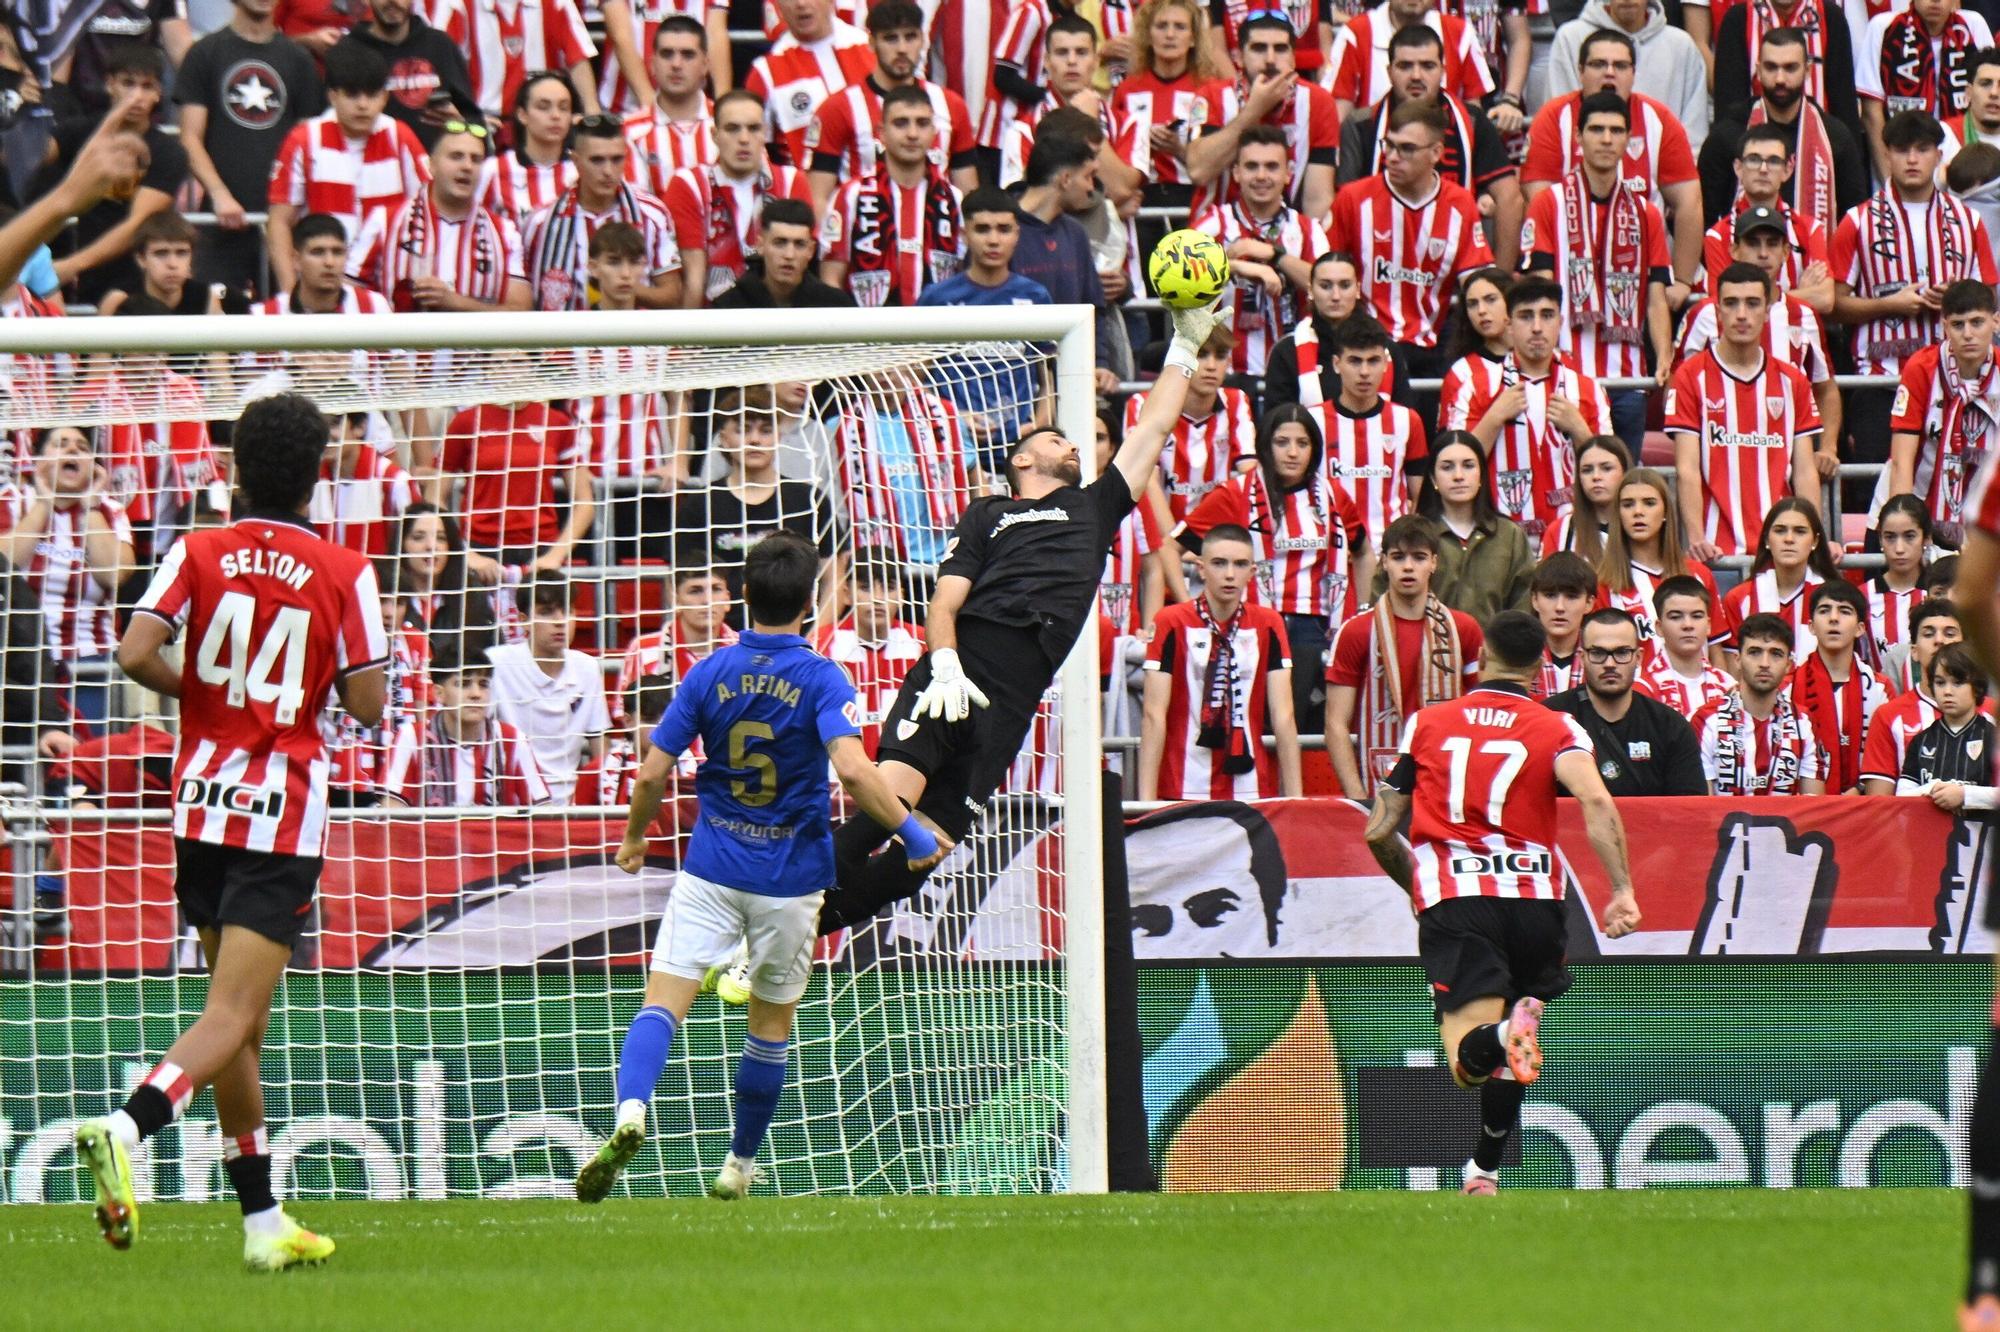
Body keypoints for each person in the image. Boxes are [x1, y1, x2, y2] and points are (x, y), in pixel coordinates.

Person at [75, 392, 388, 1270]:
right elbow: (367, 702)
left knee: (236, 1027)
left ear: (234, 469)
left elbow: (135, 652)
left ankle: (262, 1223)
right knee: (233, 1014)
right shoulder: (344, 569)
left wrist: (209, 696)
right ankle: (126, 1127)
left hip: (200, 801)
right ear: (317, 476)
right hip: (280, 814)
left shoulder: (196, 548)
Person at [810, 298, 1222, 935]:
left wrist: (1185, 347)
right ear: (1023, 460)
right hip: (959, 672)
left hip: (1012, 701)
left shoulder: (1097, 505)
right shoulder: (990, 514)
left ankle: (798, 932)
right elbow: (943, 603)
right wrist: (944, 666)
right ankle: (778, 914)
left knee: (929, 851)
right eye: (1058, 437)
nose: (1073, 444)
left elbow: (1153, 429)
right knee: (888, 810)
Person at [581, 532, 952, 1201]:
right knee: (769, 1028)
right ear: (810, 605)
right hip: (790, 883)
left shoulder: (708, 672)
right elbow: (853, 769)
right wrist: (912, 833)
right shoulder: (821, 677)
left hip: (713, 869)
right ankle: (738, 1166)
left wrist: (635, 839)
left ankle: (631, 1110)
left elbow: (652, 773)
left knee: (662, 1005)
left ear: (743, 596)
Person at [1363, 609, 1638, 1196]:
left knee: (1468, 1062)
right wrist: (1622, 890)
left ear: (1481, 655)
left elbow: (1380, 829)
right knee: (1513, 1047)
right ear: (1542, 664)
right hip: (1535, 902)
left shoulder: (1429, 724)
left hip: (1460, 897)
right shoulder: (1557, 726)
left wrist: (1418, 885)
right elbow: (1595, 801)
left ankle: (1500, 1037)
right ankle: (1483, 1171)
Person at [1178, 403, 1372, 731]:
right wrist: (1190, 605)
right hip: (1251, 626)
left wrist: (1363, 610)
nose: (1292, 453)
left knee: (1304, 725)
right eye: (1282, 442)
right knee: (1256, 725)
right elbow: (1173, 547)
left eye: (1302, 443)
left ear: (1315, 449)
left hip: (1318, 628)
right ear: (1266, 446)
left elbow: (1365, 551)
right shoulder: (1234, 493)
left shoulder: (1332, 495)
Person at [1833, 110, 1998, 485]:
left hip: (1957, 381)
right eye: (1902, 149)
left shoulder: (1967, 221)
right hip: (1881, 381)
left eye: (1922, 149)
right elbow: (1835, 304)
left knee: (1960, 486)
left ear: (1940, 155)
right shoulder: (1856, 221)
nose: (1911, 159)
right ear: (1887, 153)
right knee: (1880, 485)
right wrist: (1888, 305)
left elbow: (1988, 298)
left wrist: (1955, 299)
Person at [1521, 91, 1675, 455]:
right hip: (1566, 370)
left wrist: (1664, 354)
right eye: (1596, 129)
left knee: (1623, 484)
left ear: (1628, 138)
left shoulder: (1646, 213)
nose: (1606, 139)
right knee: (1565, 478)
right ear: (1578, 137)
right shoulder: (1549, 203)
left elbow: (1656, 296)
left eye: (1616, 130)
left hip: (1628, 374)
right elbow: (1541, 290)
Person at [1519, 30, 1702, 290]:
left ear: (1633, 73)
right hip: (1570, 263)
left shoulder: (1658, 119)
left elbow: (1689, 202)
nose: (1609, 72)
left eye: (1620, 65)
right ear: (1580, 71)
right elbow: (1539, 202)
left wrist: (1683, 281)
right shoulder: (1553, 118)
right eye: (1598, 64)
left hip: (1640, 266)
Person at [1327, 101, 1492, 387]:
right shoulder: (1353, 199)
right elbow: (1323, 272)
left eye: (1406, 148)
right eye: (1388, 145)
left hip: (1434, 348)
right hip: (1365, 347)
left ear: (1436, 153)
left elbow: (1478, 283)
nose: (1391, 157)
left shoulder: (1460, 204)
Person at [1667, 262, 1823, 562]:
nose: (1741, 314)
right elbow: (1686, 468)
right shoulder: (1690, 376)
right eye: (1731, 303)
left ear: (1767, 311)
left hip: (1782, 552)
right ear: (1717, 311)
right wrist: (1697, 537)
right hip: (1716, 552)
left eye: (1752, 304)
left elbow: (1804, 471)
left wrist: (1815, 538)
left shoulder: (1793, 381)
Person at [1336, 24, 1521, 269]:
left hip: (1455, 259)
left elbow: (1510, 199)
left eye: (1427, 66)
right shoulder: (1360, 124)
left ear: (1443, 71)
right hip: (1381, 263)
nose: (1416, 76)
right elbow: (1347, 207)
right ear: (1389, 71)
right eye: (1405, 66)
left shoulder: (1473, 121)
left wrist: (1500, 282)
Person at [1440, 275, 1609, 544]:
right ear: (1509, 323)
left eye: (1547, 315)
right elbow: (1456, 466)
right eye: (1526, 316)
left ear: (1560, 322)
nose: (1537, 327)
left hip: (1572, 537)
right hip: (1496, 538)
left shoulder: (1588, 390)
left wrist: (1579, 429)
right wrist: (1494, 418)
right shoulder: (1475, 387)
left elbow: (1610, 473)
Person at [1326, 512, 1485, 798]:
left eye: (1419, 557)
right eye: (1398, 557)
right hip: (1376, 778)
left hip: (1449, 778)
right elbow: (1336, 723)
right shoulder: (1356, 631)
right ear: (1384, 562)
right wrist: (1359, 798)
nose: (1408, 567)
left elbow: (1482, 713)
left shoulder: (1465, 629)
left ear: (1434, 563)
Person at [1141, 523, 1303, 802]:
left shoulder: (1268, 623)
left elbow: (1284, 716)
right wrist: (1144, 801)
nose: (1229, 574)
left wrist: (1296, 799)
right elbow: (1154, 715)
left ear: (1253, 572)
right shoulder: (1170, 621)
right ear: (1201, 569)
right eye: (1219, 563)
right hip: (1182, 782)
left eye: (1240, 564)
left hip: (1251, 785)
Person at [174, 0, 323, 294]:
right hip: (220, 223)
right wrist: (220, 195)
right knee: (210, 323)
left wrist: (294, 206)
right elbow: (189, 138)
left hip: (286, 221)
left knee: (291, 321)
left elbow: (311, 142)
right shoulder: (205, 52)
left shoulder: (298, 59)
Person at [658, 384, 839, 623]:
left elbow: (835, 579)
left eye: (765, 431)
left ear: (778, 437)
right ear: (723, 438)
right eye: (743, 430)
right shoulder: (700, 506)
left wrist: (817, 637)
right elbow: (677, 583)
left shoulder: (808, 500)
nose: (754, 440)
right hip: (722, 644)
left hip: (797, 641)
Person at [1677, 204, 1842, 462]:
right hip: (1719, 455)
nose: (1763, 253)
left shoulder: (1804, 315)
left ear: (1786, 252)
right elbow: (1678, 388)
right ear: (1733, 250)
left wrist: (1828, 448)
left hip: (1788, 456)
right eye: (1753, 243)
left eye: (1773, 244)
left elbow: (1825, 389)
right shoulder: (1705, 314)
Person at [265, 43, 429, 295]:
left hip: (389, 284)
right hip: (321, 286)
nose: (363, 105)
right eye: (352, 94)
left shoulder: (401, 137)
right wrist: (290, 293)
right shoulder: (303, 139)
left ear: (385, 97)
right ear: (332, 95)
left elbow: (427, 212)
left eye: (372, 95)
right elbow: (279, 222)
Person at [2, 427, 134, 728]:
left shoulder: (110, 511)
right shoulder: (12, 501)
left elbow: (115, 574)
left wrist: (89, 506)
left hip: (90, 660)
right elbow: (3, 565)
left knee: (86, 760)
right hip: (18, 664)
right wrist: (45, 504)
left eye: (82, 447)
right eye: (61, 444)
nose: (73, 451)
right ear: (38, 460)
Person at [37, 46, 188, 303]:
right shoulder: (78, 131)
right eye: (128, 84)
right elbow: (25, 161)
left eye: (147, 86)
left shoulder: (167, 151)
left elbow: (137, 224)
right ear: (109, 84)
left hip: (137, 281)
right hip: (76, 272)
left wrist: (72, 265)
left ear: (158, 93)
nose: (136, 96)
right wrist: (27, 107)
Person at [807, 0, 977, 211]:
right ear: (871, 42)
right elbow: (818, 198)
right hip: (866, 236)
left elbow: (969, 195)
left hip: (934, 236)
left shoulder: (952, 106)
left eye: (910, 37)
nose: (902, 49)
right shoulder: (838, 108)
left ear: (922, 40)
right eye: (890, 39)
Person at [1699, 28, 1869, 237]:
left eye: (1790, 68)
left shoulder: (1835, 136)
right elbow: (1703, 217)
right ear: (1758, 70)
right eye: (1771, 67)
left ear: (1807, 71)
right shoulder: (1727, 135)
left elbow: (1856, 219)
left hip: (1818, 266)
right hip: (1738, 265)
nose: (1780, 79)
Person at [1189, 124, 1329, 378]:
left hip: (1295, 372)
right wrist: (1239, 266)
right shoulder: (1214, 223)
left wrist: (1274, 255)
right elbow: (1175, 276)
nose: (1261, 176)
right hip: (1226, 372)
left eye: (1272, 167)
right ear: (1236, 173)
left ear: (1289, 173)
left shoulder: (1308, 230)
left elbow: (1327, 288)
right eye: (1252, 166)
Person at [664, 90, 814, 307]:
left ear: (765, 133)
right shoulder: (690, 184)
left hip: (778, 318)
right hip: (714, 320)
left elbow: (802, 264)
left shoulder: (792, 181)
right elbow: (693, 278)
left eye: (753, 129)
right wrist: (689, 340)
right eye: (732, 129)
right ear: (714, 135)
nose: (744, 139)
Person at [818, 85, 965, 307]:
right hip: (868, 335)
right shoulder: (850, 195)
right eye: (901, 123)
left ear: (934, 132)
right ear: (881, 133)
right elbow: (831, 277)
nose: (912, 134)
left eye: (922, 123)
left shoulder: (953, 199)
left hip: (940, 335)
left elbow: (965, 273)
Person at [1186, 12, 1340, 222]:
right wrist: (1253, 111)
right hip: (1212, 237)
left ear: (1294, 58)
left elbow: (1318, 199)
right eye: (1259, 48)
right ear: (1239, 57)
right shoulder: (1211, 96)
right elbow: (1198, 170)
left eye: (1280, 49)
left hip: (1288, 236)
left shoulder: (1319, 102)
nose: (1270, 59)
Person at [520, 112, 682, 311]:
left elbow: (673, 296)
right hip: (563, 339)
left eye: (616, 159)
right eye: (597, 160)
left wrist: (619, 287)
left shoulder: (653, 214)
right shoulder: (540, 223)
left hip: (634, 337)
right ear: (576, 161)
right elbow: (526, 301)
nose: (608, 171)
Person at [1008, 120, 1125, 386]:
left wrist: (1100, 364)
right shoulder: (1000, 230)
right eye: (1088, 177)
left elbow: (1093, 308)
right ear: (1065, 179)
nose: (1090, 188)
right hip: (1015, 385)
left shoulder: (1074, 233)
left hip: (1072, 381)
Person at [1544, 608, 1707, 796]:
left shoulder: (1670, 726)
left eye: (1622, 652)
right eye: (1598, 653)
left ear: (1638, 658)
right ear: (1582, 658)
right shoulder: (1551, 719)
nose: (1610, 664)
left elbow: (1689, 811)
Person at [1886, 280, 2000, 547]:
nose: (1968, 334)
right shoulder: (1921, 367)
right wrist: (1906, 530)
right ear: (1944, 326)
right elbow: (1902, 461)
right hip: (1920, 498)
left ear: (1995, 322)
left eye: (1977, 322)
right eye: (1958, 324)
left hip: (1985, 509)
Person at [379, 121, 531, 314]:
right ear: (431, 165)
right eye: (456, 156)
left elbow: (521, 312)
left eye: (476, 159)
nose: (467, 166)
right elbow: (353, 296)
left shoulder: (505, 232)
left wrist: (454, 302)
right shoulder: (385, 222)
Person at [377, 640, 553, 807]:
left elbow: (543, 811)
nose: (476, 694)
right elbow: (391, 812)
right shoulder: (412, 737)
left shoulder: (512, 739)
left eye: (483, 684)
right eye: (464, 684)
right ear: (439, 694)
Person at [486, 573, 611, 801]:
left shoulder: (587, 668)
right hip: (508, 803)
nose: (560, 621)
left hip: (570, 806)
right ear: (523, 620)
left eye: (567, 611)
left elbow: (600, 748)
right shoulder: (496, 663)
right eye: (546, 612)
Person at [439, 390, 595, 572]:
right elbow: (434, 497)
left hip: (541, 547)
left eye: (518, 361)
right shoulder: (466, 422)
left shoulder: (556, 422)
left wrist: (555, 556)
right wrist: (465, 554)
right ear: (487, 370)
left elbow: (585, 502)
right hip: (480, 547)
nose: (510, 369)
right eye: (499, 363)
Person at [1313, 314, 1428, 546]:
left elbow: (1419, 499)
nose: (1364, 371)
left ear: (1386, 363)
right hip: (1331, 552)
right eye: (1355, 361)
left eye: (1373, 361)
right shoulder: (1312, 421)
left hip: (1390, 552)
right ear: (1337, 364)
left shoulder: (1408, 420)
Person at [1694, 611, 1830, 796]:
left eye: (1776, 654)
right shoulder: (1707, 720)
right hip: (1721, 825)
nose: (1764, 663)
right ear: (1738, 660)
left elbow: (1814, 808)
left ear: (1789, 665)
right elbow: (1702, 809)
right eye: (1755, 652)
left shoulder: (1803, 722)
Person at [1124, 324, 1250, 522]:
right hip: (1159, 538)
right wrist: (1175, 542)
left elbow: (1250, 473)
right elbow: (1147, 482)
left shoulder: (1236, 402)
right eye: (1201, 354)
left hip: (1214, 538)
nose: (1211, 366)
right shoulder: (1141, 405)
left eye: (1220, 356)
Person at [1597, 466, 1717, 674]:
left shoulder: (1699, 575)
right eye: (1628, 504)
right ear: (1618, 515)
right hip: (1634, 701)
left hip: (1700, 701)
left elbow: (1716, 650)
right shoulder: (1604, 583)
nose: (1638, 512)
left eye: (1649, 503)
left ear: (1665, 513)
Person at [1110, 0, 1227, 213]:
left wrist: (1178, 149)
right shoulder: (1127, 89)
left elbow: (1216, 161)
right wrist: (1143, 146)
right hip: (1140, 202)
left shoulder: (1210, 90)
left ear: (1193, 38)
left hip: (1192, 201)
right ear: (1148, 35)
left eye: (1180, 27)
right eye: (1161, 26)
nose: (1170, 35)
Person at [1856, 0, 1994, 180]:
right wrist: (1890, 181)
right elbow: (1871, 114)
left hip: (1965, 167)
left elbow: (1990, 93)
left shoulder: (1973, 25)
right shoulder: (1884, 27)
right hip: (1902, 158)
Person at [1698, 124, 1836, 303]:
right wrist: (1798, 296)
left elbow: (1825, 299)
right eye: (1754, 159)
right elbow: (1723, 304)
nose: (1763, 169)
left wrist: (1752, 300)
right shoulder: (1717, 236)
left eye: (1773, 161)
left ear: (1788, 169)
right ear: (1738, 167)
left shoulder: (1809, 229)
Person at [1546, 0, 1708, 150]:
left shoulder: (1681, 45)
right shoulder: (1570, 38)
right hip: (1584, 169)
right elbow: (1561, 117)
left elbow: (1694, 135)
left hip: (1664, 171)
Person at [1410, 432, 1534, 624]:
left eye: (1468, 466)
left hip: (1494, 652)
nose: (1458, 476)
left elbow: (1524, 606)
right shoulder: (1412, 534)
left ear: (1481, 475)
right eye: (1447, 467)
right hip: (1426, 651)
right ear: (1433, 479)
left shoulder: (1509, 536)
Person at [743, 0, 875, 172]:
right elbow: (753, 151)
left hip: (879, 191)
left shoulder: (871, 48)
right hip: (808, 192)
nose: (801, 3)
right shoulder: (766, 72)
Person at [1788, 581, 1892, 793]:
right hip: (1801, 804)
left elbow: (1886, 753)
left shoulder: (1880, 688)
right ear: (1811, 626)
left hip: (1862, 804)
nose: (1833, 618)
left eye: (1844, 611)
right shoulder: (1788, 686)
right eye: (1824, 611)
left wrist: (1860, 788)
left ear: (1860, 628)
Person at [815, 562, 923, 756]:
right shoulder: (821, 646)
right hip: (838, 780)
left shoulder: (923, 644)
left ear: (902, 594)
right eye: (866, 588)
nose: (878, 599)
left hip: (904, 775)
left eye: (889, 588)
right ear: (846, 593)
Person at [336, 0, 475, 150]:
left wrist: (460, 125)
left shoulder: (440, 45)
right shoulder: (348, 51)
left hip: (435, 166)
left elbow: (472, 119)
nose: (392, 2)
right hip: (373, 164)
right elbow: (332, 122)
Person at [1326, 0, 1496, 121]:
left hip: (1445, 157)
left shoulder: (1460, 33)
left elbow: (1473, 115)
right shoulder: (1356, 34)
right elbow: (1340, 118)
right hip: (1375, 155)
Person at [433, 0, 600, 123]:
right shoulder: (456, 4)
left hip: (542, 121)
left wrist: (592, 116)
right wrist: (466, 117)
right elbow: (439, 63)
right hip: (482, 120)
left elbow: (577, 58)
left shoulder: (556, 3)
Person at [1860, 596, 1964, 794]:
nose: (1939, 640)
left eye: (1949, 633)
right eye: (1928, 634)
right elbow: (1880, 805)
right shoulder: (1887, 716)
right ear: (1914, 652)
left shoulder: (1991, 713)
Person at [1718, 497, 1838, 660]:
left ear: (1815, 541)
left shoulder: (1836, 598)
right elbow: (1734, 671)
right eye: (1780, 530)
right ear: (1767, 539)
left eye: (1800, 531)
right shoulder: (1738, 599)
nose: (1789, 539)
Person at [1257, 251, 1368, 411]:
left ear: (1357, 289)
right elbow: (1277, 423)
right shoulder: (1286, 352)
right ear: (1310, 289)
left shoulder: (1383, 350)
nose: (1335, 296)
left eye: (1344, 285)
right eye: (1325, 286)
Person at [620, 16, 714, 200]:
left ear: (705, 65)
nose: (676, 64)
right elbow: (633, 207)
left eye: (687, 55)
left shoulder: (730, 124)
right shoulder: (628, 132)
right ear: (652, 64)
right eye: (667, 54)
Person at [1895, 644, 1998, 812]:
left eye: (1958, 683)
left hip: (1983, 836)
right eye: (1940, 683)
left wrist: (1964, 795)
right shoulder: (1921, 741)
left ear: (1977, 687)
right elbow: (1901, 798)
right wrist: (1929, 789)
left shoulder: (1994, 738)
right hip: (1931, 836)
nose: (1947, 691)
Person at [311, 406, 420, 558]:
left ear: (360, 427)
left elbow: (414, 543)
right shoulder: (310, 481)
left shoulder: (394, 480)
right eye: (320, 425)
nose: (325, 434)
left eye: (334, 424)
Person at [713, 198, 856, 309]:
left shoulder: (835, 307)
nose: (789, 255)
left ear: (811, 250)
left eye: (799, 244)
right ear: (760, 245)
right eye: (780, 243)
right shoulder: (728, 308)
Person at [481, 71, 580, 225]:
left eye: (563, 108)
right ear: (522, 115)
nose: (555, 115)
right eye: (543, 107)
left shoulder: (580, 170)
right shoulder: (493, 170)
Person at [1634, 574, 1734, 712]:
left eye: (1697, 616)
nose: (1687, 625)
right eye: (1675, 617)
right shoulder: (1643, 691)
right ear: (1659, 627)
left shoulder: (1729, 686)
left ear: (1709, 625)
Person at [1858, 496, 1934, 676]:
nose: (1899, 548)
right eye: (1890, 537)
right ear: (1880, 540)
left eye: (1909, 536)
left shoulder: (1939, 593)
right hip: (1881, 701)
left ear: (1927, 538)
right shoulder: (1861, 597)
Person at [1545, 435, 1628, 561]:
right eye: (1587, 470)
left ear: (1625, 472)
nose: (1596, 476)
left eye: (1606, 468)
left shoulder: (1642, 524)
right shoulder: (1560, 530)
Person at [1527, 552, 1595, 699]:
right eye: (1550, 595)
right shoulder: (1519, 657)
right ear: (1534, 600)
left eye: (1571, 596)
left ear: (1589, 603)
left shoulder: (1602, 659)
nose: (1560, 607)